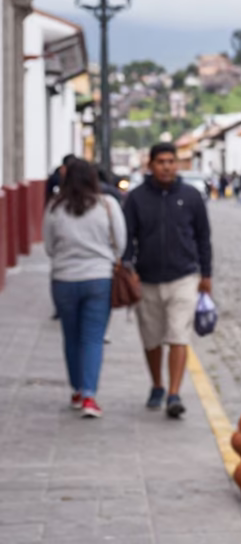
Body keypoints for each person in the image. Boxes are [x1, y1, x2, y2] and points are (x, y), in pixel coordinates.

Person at [122, 142, 213, 419]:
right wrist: (129, 269)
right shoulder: (136, 198)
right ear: (150, 165)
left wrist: (206, 274)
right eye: (160, 161)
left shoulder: (192, 196)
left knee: (178, 335)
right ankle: (157, 385)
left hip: (183, 276)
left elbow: (202, 237)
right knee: (151, 339)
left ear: (177, 165)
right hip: (147, 278)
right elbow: (128, 237)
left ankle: (174, 393)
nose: (166, 166)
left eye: (170, 161)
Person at [43, 158, 125, 419]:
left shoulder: (55, 207)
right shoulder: (107, 205)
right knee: (92, 338)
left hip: (64, 279)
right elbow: (120, 243)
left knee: (71, 336)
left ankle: (77, 390)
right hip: (99, 278)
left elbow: (48, 247)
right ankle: (89, 395)